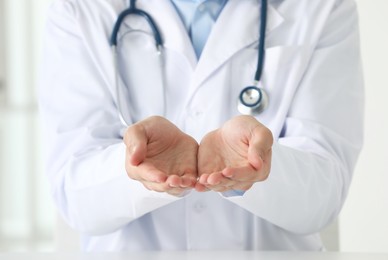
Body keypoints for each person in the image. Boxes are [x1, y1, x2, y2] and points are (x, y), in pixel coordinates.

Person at [39, 0, 364, 252]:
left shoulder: (321, 7)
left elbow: (324, 192)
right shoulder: (79, 8)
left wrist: (263, 165)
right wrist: (134, 167)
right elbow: (74, 191)